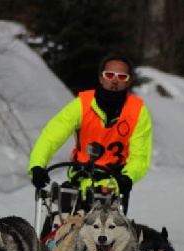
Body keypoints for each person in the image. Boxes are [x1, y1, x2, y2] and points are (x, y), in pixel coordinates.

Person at [28, 53, 153, 214]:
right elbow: (51, 136)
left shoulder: (138, 112)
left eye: (122, 77)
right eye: (110, 75)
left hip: (114, 187)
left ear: (129, 81)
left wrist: (128, 177)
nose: (115, 81)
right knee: (59, 233)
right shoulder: (82, 104)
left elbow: (140, 156)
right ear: (101, 78)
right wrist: (37, 166)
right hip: (79, 179)